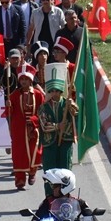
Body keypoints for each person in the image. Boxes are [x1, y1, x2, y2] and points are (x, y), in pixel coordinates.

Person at [37, 62, 76, 193]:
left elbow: (77, 114)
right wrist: (57, 126)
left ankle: (65, 197)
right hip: (49, 144)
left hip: (65, 142)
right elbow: (44, 125)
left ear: (61, 91)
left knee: (65, 173)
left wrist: (72, 106)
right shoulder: (43, 107)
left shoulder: (67, 104)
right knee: (50, 173)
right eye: (52, 91)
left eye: (57, 91)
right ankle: (50, 199)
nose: (55, 93)